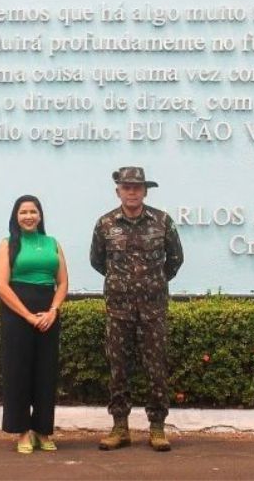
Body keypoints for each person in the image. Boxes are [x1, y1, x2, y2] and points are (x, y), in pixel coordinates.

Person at [89, 166, 184, 452]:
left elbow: (175, 260)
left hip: (153, 309)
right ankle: (120, 428)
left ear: (145, 191)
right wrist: (124, 285)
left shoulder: (162, 222)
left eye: (137, 187)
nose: (132, 192)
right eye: (126, 187)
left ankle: (157, 428)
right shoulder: (105, 224)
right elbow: (97, 261)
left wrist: (152, 283)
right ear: (118, 190)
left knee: (156, 369)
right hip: (118, 310)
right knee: (119, 370)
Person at [0, 195, 68, 453]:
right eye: (23, 212)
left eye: (33, 211)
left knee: (46, 374)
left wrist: (53, 311)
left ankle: (43, 431)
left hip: (48, 315)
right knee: (19, 373)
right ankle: (23, 432)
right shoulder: (7, 245)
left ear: (40, 215)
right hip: (17, 314)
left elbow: (63, 283)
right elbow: (1, 286)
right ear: (16, 216)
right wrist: (27, 316)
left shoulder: (53, 243)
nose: (28, 216)